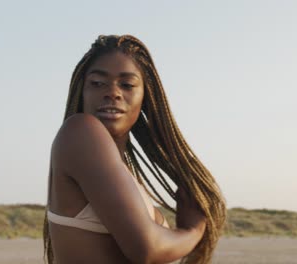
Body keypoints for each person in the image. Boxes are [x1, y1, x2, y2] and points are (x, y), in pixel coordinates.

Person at [43, 35, 226, 264]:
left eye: (127, 84)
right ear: (82, 91)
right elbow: (147, 248)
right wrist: (192, 231)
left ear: (145, 96)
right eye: (98, 83)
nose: (113, 92)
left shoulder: (125, 173)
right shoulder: (80, 132)